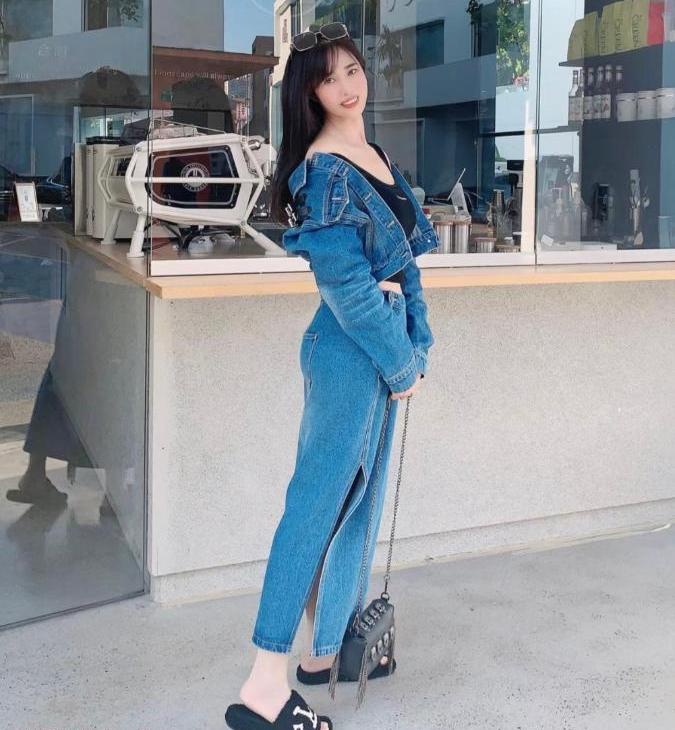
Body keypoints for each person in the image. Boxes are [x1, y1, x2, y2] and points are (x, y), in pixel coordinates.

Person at [225, 22, 437, 730]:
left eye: (352, 70)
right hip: (349, 352)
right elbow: (346, 289)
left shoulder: (373, 155)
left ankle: (323, 655)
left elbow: (405, 267)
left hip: (379, 349)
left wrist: (414, 349)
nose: (347, 86)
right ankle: (263, 684)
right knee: (315, 509)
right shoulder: (323, 172)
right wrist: (399, 361)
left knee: (355, 506)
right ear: (308, 93)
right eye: (327, 78)